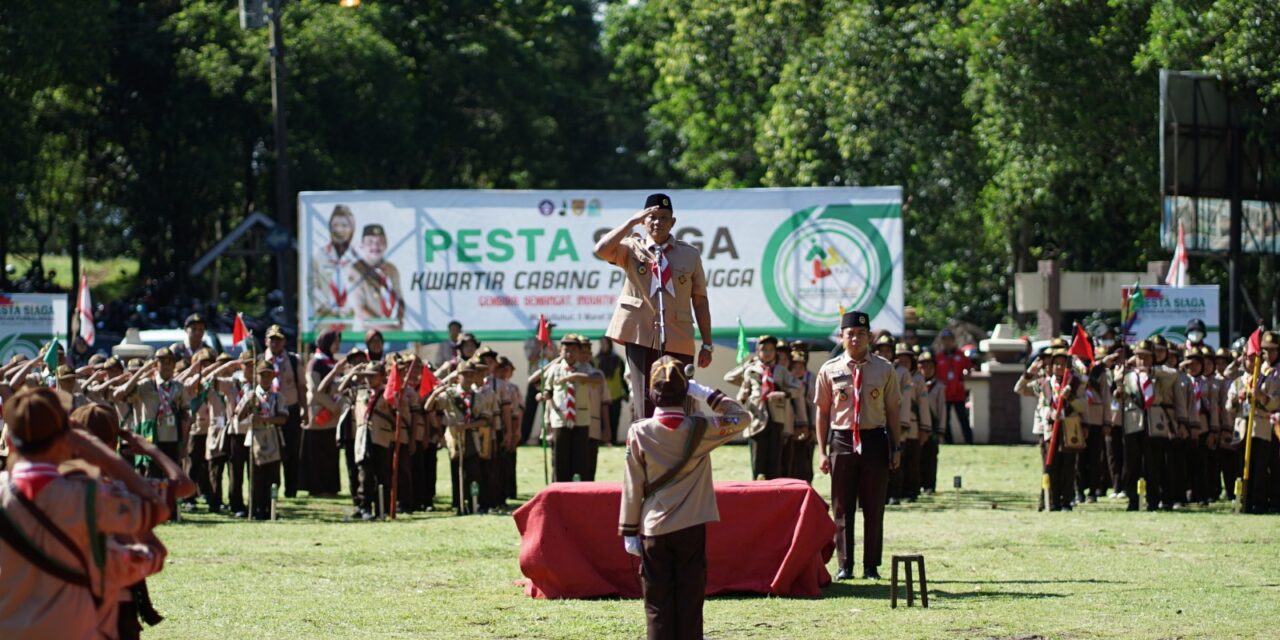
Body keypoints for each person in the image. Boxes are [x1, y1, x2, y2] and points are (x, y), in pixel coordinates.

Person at [0, 387, 177, 639]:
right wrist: (102, 453)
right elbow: (156, 508)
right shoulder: (89, 496)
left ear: (9, 442)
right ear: (66, 440)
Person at [618, 356, 749, 640]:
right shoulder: (701, 428)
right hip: (691, 525)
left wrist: (629, 531)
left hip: (653, 528)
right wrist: (706, 393)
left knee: (657, 605)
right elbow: (742, 418)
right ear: (685, 392)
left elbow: (633, 485)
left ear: (652, 394)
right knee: (690, 603)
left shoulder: (639, 431)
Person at [595, 193, 713, 421]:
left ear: (673, 222)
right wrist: (631, 222)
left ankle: (677, 441)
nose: (658, 222)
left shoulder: (689, 254)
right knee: (645, 398)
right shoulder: (632, 248)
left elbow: (700, 301)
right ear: (644, 221)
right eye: (652, 217)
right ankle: (646, 441)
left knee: (680, 396)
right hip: (639, 333)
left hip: (678, 334)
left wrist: (707, 344)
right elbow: (601, 249)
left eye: (664, 217)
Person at [817, 311, 902, 581]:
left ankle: (871, 565)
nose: (855, 339)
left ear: (869, 337)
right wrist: (822, 451)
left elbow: (892, 410)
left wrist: (896, 447)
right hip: (842, 440)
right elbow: (822, 412)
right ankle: (845, 565)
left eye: (861, 334)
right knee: (842, 507)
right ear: (841, 337)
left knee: (874, 506)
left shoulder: (884, 369)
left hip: (874, 439)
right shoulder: (829, 369)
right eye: (850, 334)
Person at [1016, 344, 1083, 511]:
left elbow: (1083, 406)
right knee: (1050, 465)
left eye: (1063, 364)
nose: (1059, 367)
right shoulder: (1043, 383)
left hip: (1068, 428)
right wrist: (1029, 373)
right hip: (1049, 429)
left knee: (1068, 465)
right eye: (1056, 364)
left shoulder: (1074, 384)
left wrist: (1070, 398)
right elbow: (1019, 389)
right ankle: (1050, 500)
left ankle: (1067, 501)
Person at [426, 360, 498, 515]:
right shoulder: (450, 395)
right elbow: (428, 407)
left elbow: (486, 420)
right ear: (458, 376)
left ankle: (474, 503)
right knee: (457, 473)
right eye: (465, 375)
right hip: (455, 439)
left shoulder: (479, 396)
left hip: (472, 438)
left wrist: (467, 426)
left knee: (474, 474)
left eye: (472, 375)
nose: (469, 378)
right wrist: (436, 393)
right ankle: (459, 505)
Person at [530, 334, 603, 482]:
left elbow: (598, 379)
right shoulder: (555, 369)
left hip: (581, 419)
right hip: (560, 419)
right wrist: (544, 395)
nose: (570, 354)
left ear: (579, 352)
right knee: (560, 459)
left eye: (574, 350)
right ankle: (559, 488)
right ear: (560, 351)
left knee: (580, 458)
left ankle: (579, 489)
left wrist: (575, 376)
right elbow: (548, 389)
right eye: (566, 350)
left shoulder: (585, 368)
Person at [732, 335, 803, 481]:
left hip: (776, 419)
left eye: (771, 349)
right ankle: (758, 488)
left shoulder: (781, 371)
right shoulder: (751, 370)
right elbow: (743, 390)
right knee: (758, 461)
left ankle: (773, 488)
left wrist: (784, 394)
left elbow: (799, 387)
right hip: (756, 419)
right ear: (758, 351)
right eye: (764, 349)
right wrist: (743, 395)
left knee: (774, 460)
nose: (767, 353)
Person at [236, 360, 289, 520]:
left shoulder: (278, 397)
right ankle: (255, 508)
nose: (265, 379)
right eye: (262, 375)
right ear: (256, 377)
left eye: (268, 375)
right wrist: (248, 403)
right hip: (255, 438)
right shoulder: (251, 395)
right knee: (255, 476)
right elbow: (239, 416)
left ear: (273, 377)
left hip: (272, 436)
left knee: (273, 476)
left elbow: (283, 419)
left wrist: (266, 419)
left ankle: (270, 508)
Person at [263, 324, 307, 499]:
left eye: (278, 340)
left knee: (291, 451)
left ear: (284, 342)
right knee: (270, 451)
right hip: (267, 411)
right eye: (272, 339)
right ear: (266, 341)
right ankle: (270, 488)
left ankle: (291, 490)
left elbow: (301, 387)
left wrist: (304, 409)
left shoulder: (293, 360)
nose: (275, 343)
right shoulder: (261, 360)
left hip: (290, 409)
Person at [302, 329, 342, 496]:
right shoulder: (315, 363)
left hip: (333, 416)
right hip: (319, 414)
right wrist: (333, 407)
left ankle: (330, 486)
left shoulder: (333, 363)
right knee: (318, 454)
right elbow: (315, 390)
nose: (338, 345)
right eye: (335, 342)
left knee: (331, 453)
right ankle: (317, 487)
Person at [309, 204, 359, 322]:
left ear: (352, 229)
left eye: (344, 226)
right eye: (335, 225)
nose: (339, 230)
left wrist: (352, 308)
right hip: (325, 321)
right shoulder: (320, 256)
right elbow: (312, 287)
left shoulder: (359, 257)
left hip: (354, 323)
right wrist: (329, 308)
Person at [350, 223, 406, 329]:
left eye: (380, 242)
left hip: (393, 332)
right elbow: (359, 310)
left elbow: (400, 300)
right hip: (366, 333)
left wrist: (398, 320)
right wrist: (387, 328)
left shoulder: (391, 269)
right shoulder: (356, 270)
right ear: (362, 245)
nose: (375, 246)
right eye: (370, 242)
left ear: (386, 244)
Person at [935, 329, 974, 444]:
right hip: (945, 393)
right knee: (946, 420)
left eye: (949, 340)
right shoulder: (939, 357)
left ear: (953, 341)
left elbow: (969, 368)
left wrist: (965, 376)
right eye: (945, 340)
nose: (947, 342)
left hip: (958, 393)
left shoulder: (960, 355)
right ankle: (949, 442)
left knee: (963, 418)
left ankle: (969, 441)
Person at [521, 323, 557, 444]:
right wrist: (540, 346)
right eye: (547, 330)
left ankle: (545, 438)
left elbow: (556, 361)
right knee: (529, 411)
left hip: (548, 381)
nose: (549, 332)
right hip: (535, 380)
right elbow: (530, 357)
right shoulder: (531, 342)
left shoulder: (553, 344)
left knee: (548, 410)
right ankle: (523, 437)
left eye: (550, 330)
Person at [918, 350, 946, 493]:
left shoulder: (939, 387)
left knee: (930, 456)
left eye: (930, 367)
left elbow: (942, 409)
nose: (927, 370)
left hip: (933, 426)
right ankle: (917, 483)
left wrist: (941, 429)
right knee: (917, 456)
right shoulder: (915, 384)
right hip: (918, 426)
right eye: (923, 367)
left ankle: (930, 485)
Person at [596, 337, 629, 445]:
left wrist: (626, 393)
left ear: (610, 344)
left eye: (605, 343)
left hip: (616, 396)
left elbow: (623, 379)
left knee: (614, 420)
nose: (603, 345)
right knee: (601, 421)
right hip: (600, 397)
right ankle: (602, 441)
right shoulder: (596, 360)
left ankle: (613, 441)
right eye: (601, 343)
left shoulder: (618, 360)